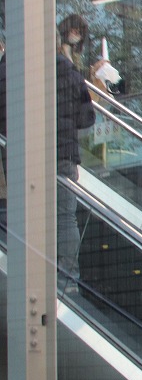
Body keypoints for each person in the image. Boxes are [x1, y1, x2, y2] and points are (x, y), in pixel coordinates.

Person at [0, 35, 96, 290]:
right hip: (61, 154)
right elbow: (87, 118)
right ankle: (67, 281)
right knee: (65, 218)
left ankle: (26, 278)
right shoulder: (67, 69)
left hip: (21, 157)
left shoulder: (7, 67)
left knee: (23, 216)